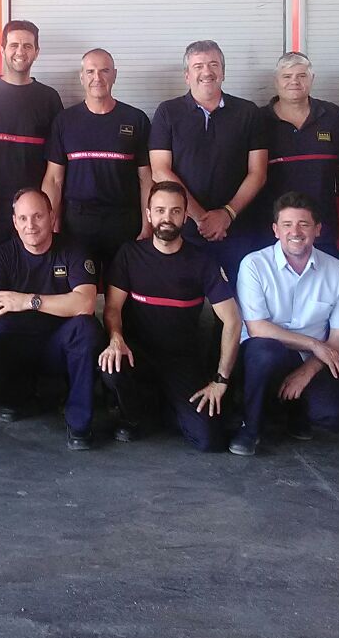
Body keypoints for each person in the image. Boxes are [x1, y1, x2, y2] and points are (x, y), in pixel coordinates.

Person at [98, 181, 243, 452]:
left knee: (209, 440)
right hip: (136, 354)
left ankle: (165, 409)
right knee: (111, 367)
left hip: (182, 362)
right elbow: (113, 308)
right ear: (149, 214)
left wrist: (221, 379)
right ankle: (133, 418)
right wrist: (116, 338)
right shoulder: (130, 254)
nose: (167, 218)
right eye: (161, 210)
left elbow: (233, 320)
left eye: (176, 211)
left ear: (185, 216)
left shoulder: (202, 262)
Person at [0, 188, 103, 450]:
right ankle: (25, 398)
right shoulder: (0, 258)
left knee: (86, 329)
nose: (30, 226)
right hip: (14, 345)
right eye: (23, 219)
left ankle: (79, 422)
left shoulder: (73, 251)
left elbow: (86, 303)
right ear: (14, 222)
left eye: (37, 217)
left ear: (51, 216)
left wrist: (27, 300)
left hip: (57, 346)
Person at [230, 191, 339, 456]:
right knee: (267, 350)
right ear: (275, 230)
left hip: (308, 358)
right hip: (261, 355)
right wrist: (314, 344)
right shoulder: (254, 264)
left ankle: (293, 410)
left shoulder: (337, 271)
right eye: (287, 225)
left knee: (335, 415)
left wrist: (309, 368)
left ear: (318, 230)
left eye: (304, 224)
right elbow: (257, 328)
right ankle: (250, 428)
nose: (295, 232)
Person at [150, 40, 267, 285]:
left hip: (238, 229)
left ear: (223, 72)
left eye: (214, 64)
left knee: (239, 305)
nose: (207, 72)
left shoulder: (248, 113)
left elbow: (258, 172)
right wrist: (201, 218)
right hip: (186, 231)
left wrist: (227, 214)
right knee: (183, 303)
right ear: (187, 75)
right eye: (198, 66)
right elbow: (160, 170)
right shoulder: (167, 113)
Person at [0, 20, 63, 294]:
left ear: (36, 51)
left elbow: (55, 167)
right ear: (2, 49)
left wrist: (53, 213)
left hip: (32, 214)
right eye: (14, 45)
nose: (20, 51)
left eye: (27, 45)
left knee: (30, 280)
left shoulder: (49, 99)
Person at [42, 48, 151, 279]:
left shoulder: (136, 119)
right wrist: (51, 222)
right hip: (78, 224)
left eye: (104, 71)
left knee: (123, 296)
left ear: (115, 75)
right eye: (90, 71)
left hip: (124, 223)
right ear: (82, 77)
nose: (97, 78)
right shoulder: (64, 121)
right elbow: (53, 179)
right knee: (79, 293)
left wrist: (148, 223)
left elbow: (146, 179)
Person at [256, 52, 339, 259]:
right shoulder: (257, 121)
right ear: (276, 81)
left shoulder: (334, 117)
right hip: (272, 233)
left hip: (322, 231)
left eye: (301, 75)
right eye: (287, 76)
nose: (294, 82)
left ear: (312, 79)